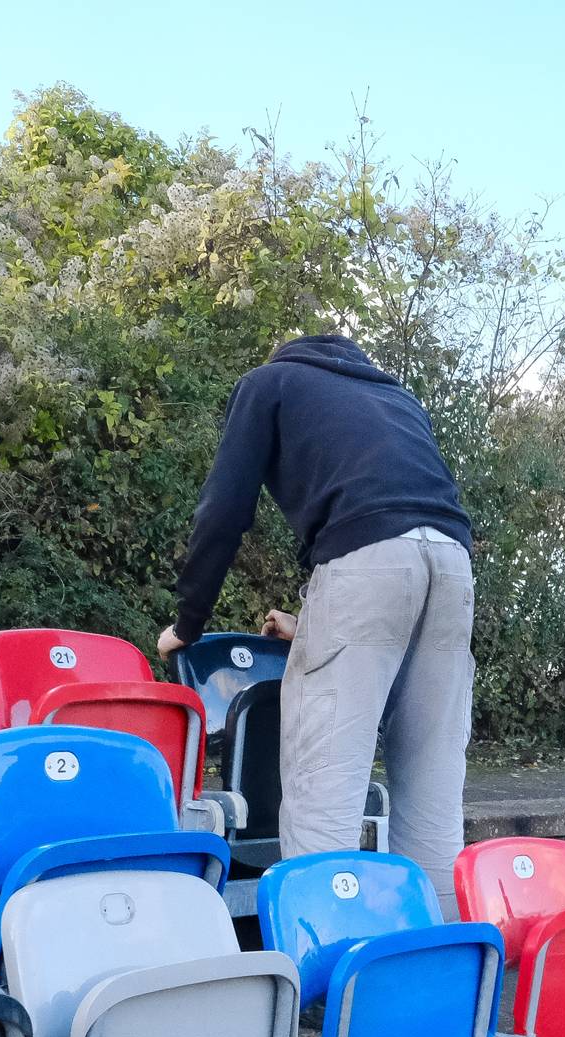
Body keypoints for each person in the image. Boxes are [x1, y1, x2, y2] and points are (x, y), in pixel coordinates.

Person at [159, 334, 476, 905]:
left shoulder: (270, 382)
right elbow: (404, 540)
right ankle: (440, 970)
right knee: (433, 796)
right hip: (454, 567)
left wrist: (188, 623)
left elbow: (224, 510)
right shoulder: (395, 396)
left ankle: (320, 975)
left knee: (324, 787)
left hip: (367, 564)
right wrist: (311, 624)